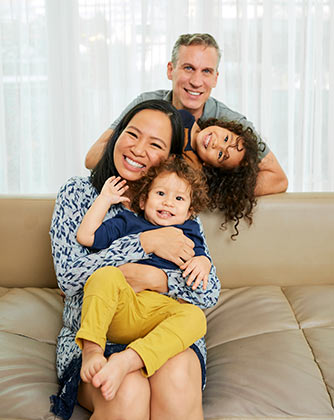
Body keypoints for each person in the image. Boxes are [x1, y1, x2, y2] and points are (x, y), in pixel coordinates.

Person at [50, 100, 221, 420]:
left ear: (169, 159)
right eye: (132, 134)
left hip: (162, 331)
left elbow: (209, 291)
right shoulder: (78, 194)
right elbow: (70, 278)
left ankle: (133, 359)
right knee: (126, 392)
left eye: (155, 144)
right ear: (116, 135)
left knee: (177, 376)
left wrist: (160, 279)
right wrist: (145, 242)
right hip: (98, 336)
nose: (139, 149)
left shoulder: (178, 206)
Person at [75, 156, 212, 402]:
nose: (168, 202)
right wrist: (105, 199)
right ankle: (93, 349)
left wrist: (203, 262)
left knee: (195, 317)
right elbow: (86, 237)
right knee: (105, 276)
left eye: (179, 198)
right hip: (123, 307)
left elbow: (202, 260)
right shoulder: (128, 222)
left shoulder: (190, 231)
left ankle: (129, 360)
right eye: (160, 193)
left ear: (190, 211)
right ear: (143, 199)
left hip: (158, 315)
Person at [85, 33, 288, 196]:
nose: (196, 81)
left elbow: (277, 179)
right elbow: (93, 157)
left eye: (206, 71)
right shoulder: (147, 105)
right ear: (170, 70)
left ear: (216, 78)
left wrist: (200, 188)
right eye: (188, 68)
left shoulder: (231, 125)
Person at [179, 108, 262, 237]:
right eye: (226, 138)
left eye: (220, 154)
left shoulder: (190, 170)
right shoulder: (184, 118)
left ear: (210, 166)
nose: (215, 144)